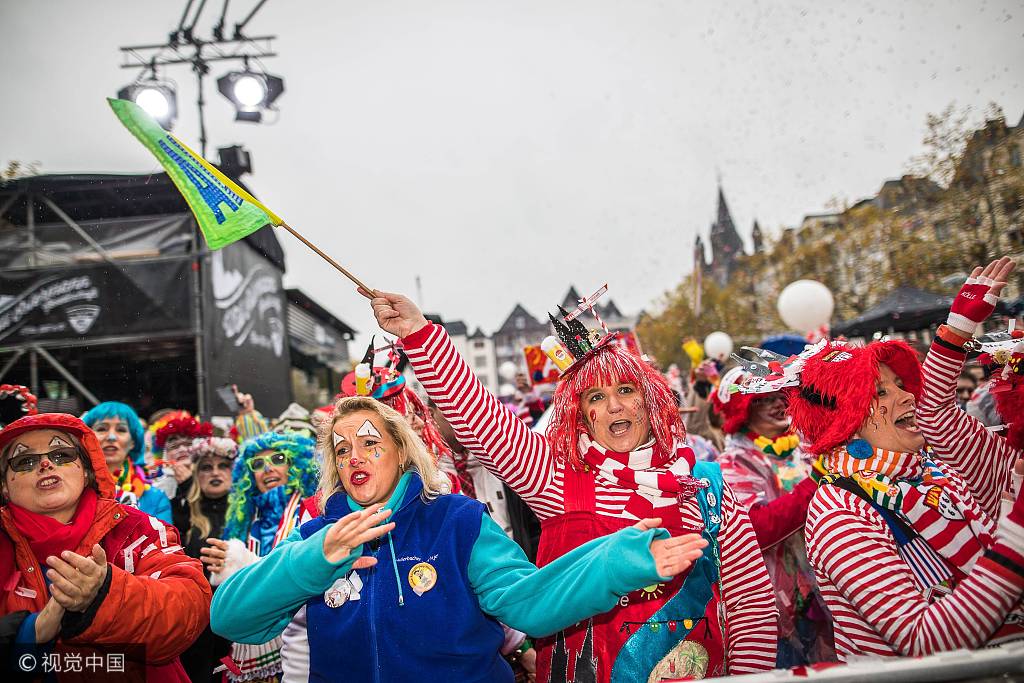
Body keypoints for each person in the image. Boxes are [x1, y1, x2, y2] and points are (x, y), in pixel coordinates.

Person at [364, 288, 777, 680]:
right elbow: (482, 419)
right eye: (595, 396)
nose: (613, 405)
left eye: (626, 390)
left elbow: (752, 604)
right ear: (580, 413)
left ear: (649, 401)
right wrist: (420, 335)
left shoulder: (705, 487)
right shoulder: (554, 477)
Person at [210, 397, 708, 682]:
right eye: (342, 450)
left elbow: (529, 604)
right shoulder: (317, 537)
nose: (354, 457)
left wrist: (615, 564)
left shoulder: (457, 520)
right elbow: (232, 617)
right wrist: (316, 559)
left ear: (403, 453)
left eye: (368, 443)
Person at [790, 323, 1024, 659]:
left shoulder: (934, 472)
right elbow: (922, 639)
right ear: (847, 420)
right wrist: (1016, 539)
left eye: (900, 385)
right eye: (881, 392)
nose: (908, 395)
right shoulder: (838, 512)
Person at [0, 413, 211, 680]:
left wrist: (104, 595)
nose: (44, 464)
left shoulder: (135, 528)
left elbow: (190, 607)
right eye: (25, 460)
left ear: (86, 471)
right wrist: (30, 632)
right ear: (4, 486)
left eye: (61, 455)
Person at [711, 367, 835, 666]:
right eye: (764, 399)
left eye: (781, 396)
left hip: (827, 599)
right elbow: (755, 529)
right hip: (776, 612)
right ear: (742, 410)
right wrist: (817, 480)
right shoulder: (732, 463)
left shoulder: (807, 449)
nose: (779, 405)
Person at [207, 431, 319, 682]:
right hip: (253, 650)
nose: (267, 468)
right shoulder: (244, 520)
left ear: (296, 463)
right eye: (257, 464)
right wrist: (224, 570)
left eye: (278, 458)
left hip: (304, 650)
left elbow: (306, 574)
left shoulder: (313, 511)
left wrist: (244, 564)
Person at [178, 435, 236, 683]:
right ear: (196, 474)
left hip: (237, 621)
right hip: (198, 628)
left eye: (223, 466)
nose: (216, 472)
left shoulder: (247, 511)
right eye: (206, 467)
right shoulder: (181, 513)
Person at [81, 401, 172, 523]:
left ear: (133, 442)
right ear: (87, 438)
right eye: (102, 429)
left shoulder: (155, 498)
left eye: (121, 430)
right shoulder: (73, 491)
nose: (111, 437)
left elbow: (164, 540)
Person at [154, 415, 215, 534]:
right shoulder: (158, 487)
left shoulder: (215, 476)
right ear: (166, 454)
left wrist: (189, 484)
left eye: (188, 444)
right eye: (174, 446)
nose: (182, 449)